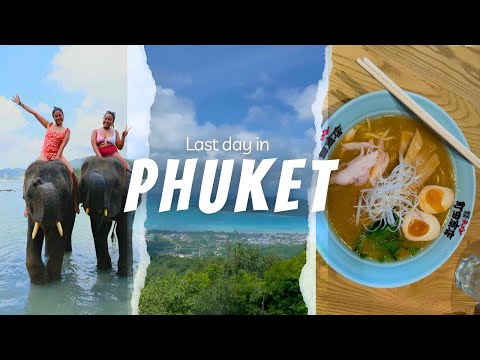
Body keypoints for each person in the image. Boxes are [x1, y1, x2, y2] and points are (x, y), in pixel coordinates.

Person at [12, 94, 80, 215]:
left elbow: (63, 145)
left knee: (72, 174)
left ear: (63, 116)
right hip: (44, 154)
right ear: (53, 117)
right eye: (56, 116)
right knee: (28, 172)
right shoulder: (48, 125)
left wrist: (57, 157)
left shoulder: (66, 131)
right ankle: (27, 205)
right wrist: (21, 104)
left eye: (60, 115)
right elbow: (34, 113)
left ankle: (75, 202)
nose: (58, 117)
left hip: (58, 155)